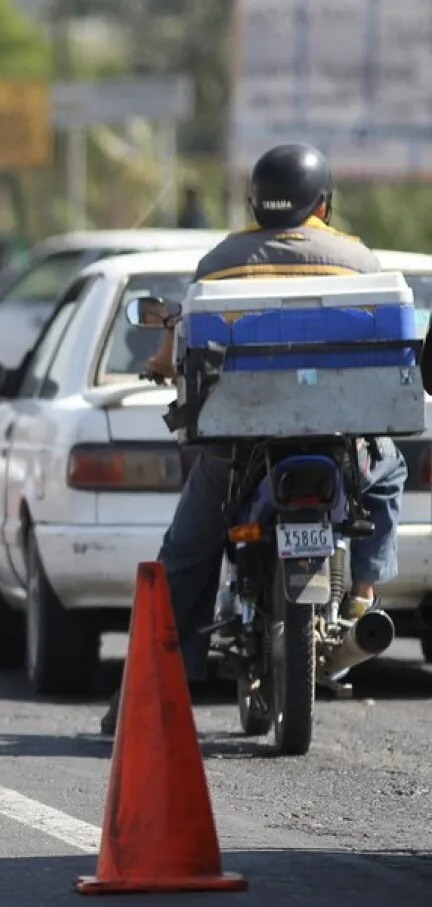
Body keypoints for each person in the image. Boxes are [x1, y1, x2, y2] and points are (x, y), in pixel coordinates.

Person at [101, 142, 408, 736]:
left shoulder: (220, 260)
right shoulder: (357, 258)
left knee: (184, 558)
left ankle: (137, 696)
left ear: (255, 202)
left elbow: (179, 346)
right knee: (389, 468)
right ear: (323, 204)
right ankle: (363, 592)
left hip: (239, 450)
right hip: (341, 444)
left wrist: (161, 364)